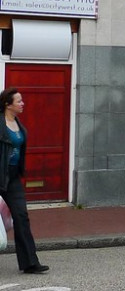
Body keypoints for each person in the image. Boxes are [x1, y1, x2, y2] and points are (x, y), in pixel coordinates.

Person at [0, 88, 48, 274]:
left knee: (21, 217)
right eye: (19, 101)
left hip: (12, 177)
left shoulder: (18, 124)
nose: (23, 103)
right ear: (7, 104)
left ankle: (29, 263)